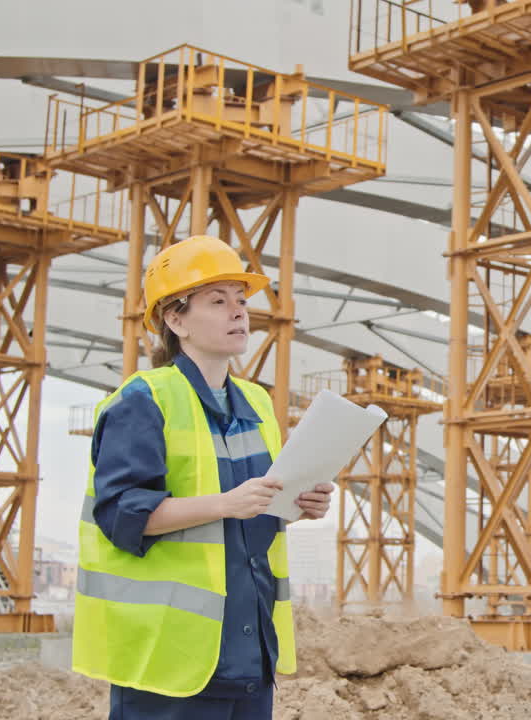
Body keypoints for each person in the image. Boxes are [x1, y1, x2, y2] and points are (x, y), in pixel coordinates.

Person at [72, 235, 336, 719]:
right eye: (217, 301)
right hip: (168, 662)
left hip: (249, 650)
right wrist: (226, 503)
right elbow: (122, 515)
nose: (238, 312)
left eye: (241, 300)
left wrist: (297, 506)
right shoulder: (144, 400)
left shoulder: (256, 402)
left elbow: (250, 513)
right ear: (176, 321)